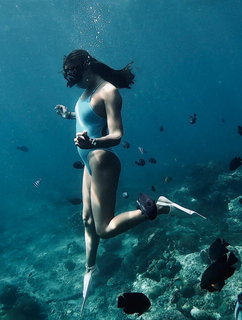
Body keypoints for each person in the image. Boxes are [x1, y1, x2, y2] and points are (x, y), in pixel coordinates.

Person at [54, 49, 169, 312]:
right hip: (88, 161)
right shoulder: (86, 92)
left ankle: (160, 206)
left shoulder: (109, 92)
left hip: (101, 160)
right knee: (86, 220)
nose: (74, 82)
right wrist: (68, 116)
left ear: (86, 66)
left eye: (74, 75)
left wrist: (92, 142)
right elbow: (90, 119)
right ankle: (90, 267)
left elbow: (116, 134)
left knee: (104, 229)